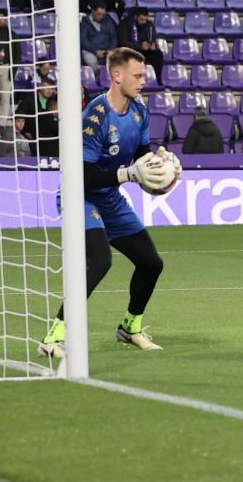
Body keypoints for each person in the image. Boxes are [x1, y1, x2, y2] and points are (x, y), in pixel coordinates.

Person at [37, 47, 177, 359]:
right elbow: (83, 175)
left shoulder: (139, 111)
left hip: (110, 198)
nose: (143, 81)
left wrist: (160, 166)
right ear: (117, 75)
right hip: (80, 195)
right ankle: (54, 336)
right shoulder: (96, 116)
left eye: (144, 75)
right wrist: (129, 173)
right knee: (100, 261)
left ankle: (130, 327)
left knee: (151, 263)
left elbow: (141, 155)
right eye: (137, 75)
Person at [14, 80, 59, 157]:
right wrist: (24, 132)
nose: (50, 91)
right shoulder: (29, 100)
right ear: (40, 87)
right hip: (35, 139)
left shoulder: (53, 101)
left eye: (52, 89)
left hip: (53, 140)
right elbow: (17, 116)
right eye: (47, 88)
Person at [117, 7, 163, 77]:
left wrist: (153, 45)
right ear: (135, 17)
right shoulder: (124, 24)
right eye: (141, 19)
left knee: (158, 54)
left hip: (145, 51)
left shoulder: (149, 24)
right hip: (130, 51)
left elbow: (153, 38)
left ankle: (158, 79)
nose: (144, 22)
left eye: (145, 19)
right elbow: (122, 42)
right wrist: (140, 46)